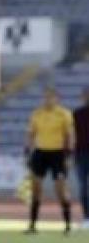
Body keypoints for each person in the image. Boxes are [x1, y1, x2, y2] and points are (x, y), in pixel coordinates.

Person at [25, 87, 75, 234]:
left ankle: (68, 225)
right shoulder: (37, 114)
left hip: (58, 153)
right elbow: (31, 134)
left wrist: (69, 155)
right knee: (36, 188)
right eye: (46, 97)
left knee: (60, 189)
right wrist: (28, 152)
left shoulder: (64, 114)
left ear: (57, 99)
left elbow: (70, 135)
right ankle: (33, 225)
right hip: (40, 153)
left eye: (51, 97)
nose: (48, 100)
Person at [74, 87, 89, 230]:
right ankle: (87, 217)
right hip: (81, 154)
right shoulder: (76, 114)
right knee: (84, 187)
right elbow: (72, 135)